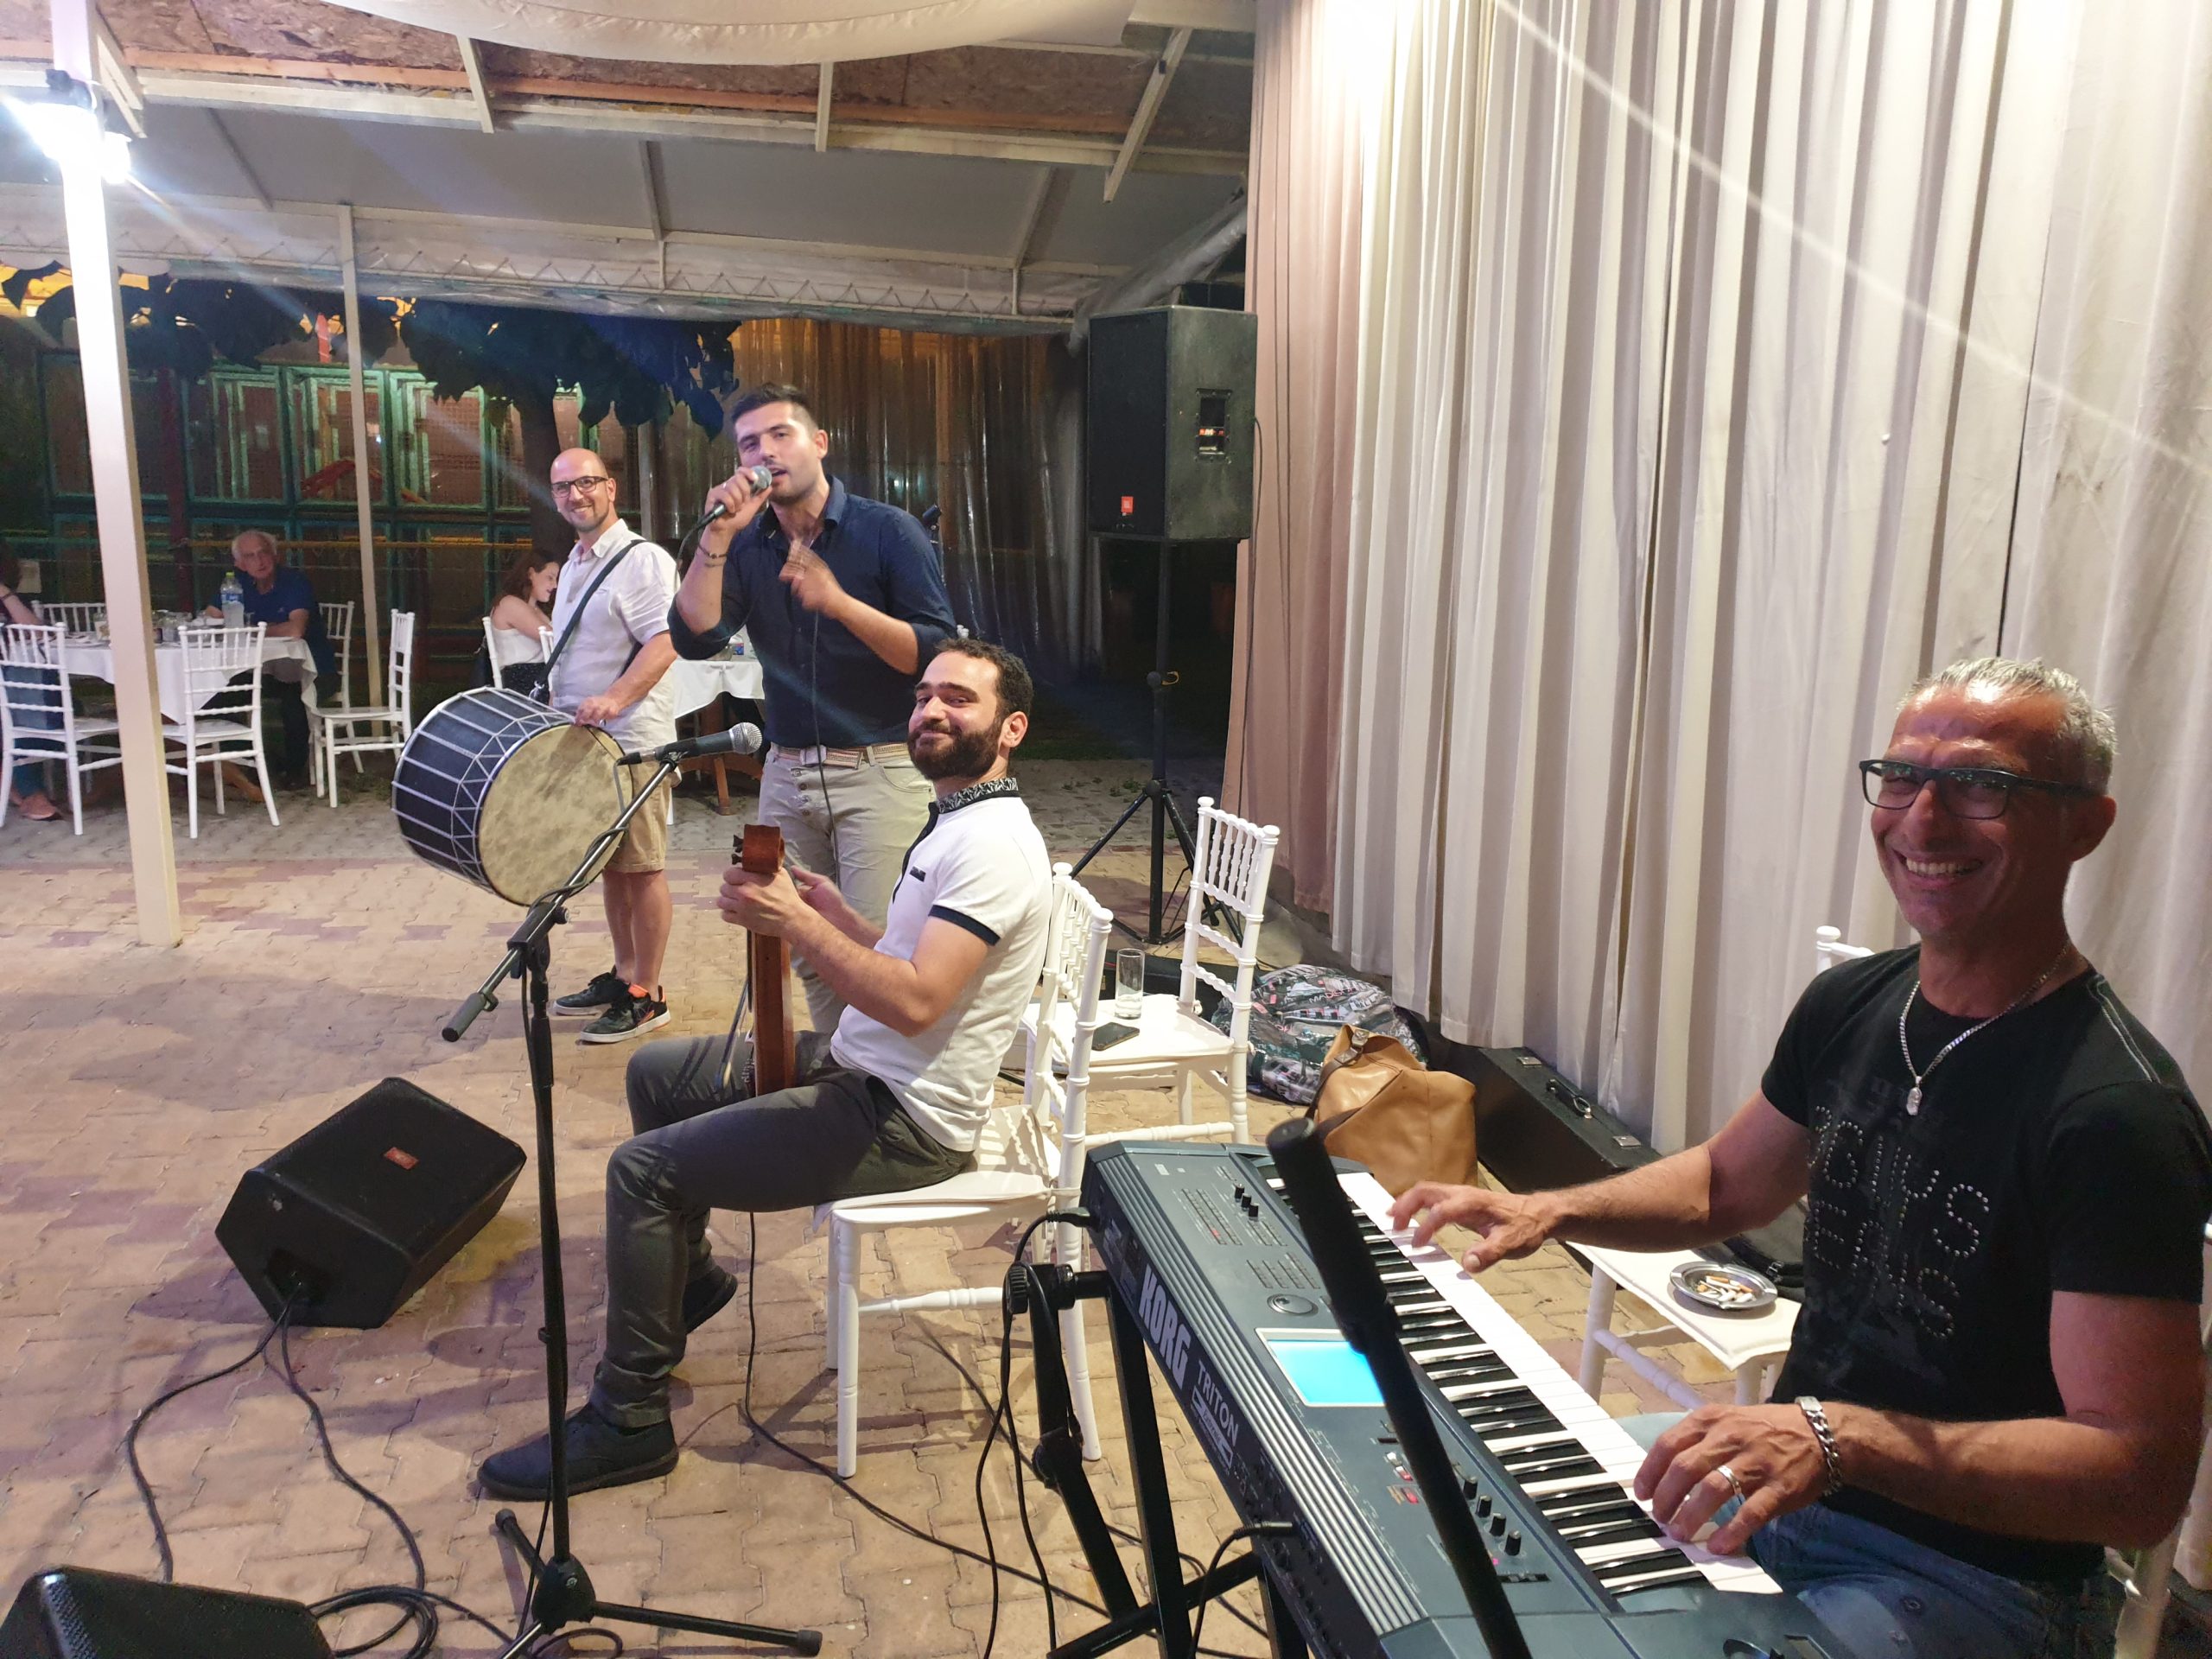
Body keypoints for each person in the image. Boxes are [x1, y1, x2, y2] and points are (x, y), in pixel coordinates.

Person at [1390, 658, 2211, 1659]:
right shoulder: (1854, 1004)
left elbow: (2136, 1477)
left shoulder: (2115, 1116)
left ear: (2085, 824)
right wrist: (1551, 1210)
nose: (1921, 820)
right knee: (1463, 1544)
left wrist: (1839, 1438)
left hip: (1973, 1576)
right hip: (1787, 1498)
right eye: (1900, 777)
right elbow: (1724, 1184)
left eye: (1980, 784)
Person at [478, 639, 1051, 1498]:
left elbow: (919, 1002)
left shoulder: (994, 846)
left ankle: (629, 1420)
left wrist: (794, 922)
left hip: (907, 1118)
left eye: (959, 700)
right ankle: (690, 1282)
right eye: (925, 695)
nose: (932, 710)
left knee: (641, 1172)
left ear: (1011, 729)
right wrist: (839, 916)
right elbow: (913, 959)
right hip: (865, 1067)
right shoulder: (960, 820)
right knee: (656, 1076)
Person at [671, 383, 958, 1036]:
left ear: (820, 443)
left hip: (881, 769)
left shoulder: (887, 531)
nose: (765, 452)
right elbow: (695, 638)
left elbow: (935, 655)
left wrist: (840, 604)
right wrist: (716, 536)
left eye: (782, 435)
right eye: (750, 443)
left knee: (878, 949)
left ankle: (881, 1080)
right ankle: (839, 1066)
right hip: (786, 771)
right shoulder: (746, 544)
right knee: (804, 943)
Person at [543, 449, 683, 1044]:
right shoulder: (575, 561)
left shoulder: (642, 560)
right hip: (589, 744)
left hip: (634, 741)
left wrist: (615, 698)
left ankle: (648, 993)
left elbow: (666, 640)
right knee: (612, 868)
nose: (576, 495)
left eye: (586, 483)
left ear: (611, 488)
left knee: (643, 868)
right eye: (563, 487)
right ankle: (624, 974)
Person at [202, 531, 334, 789]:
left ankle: (294, 772)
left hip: (311, 670)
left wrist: (249, 631)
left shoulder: (294, 582)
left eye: (263, 553)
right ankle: (249, 762)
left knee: (293, 699)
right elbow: (210, 621)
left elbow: (295, 630)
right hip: (263, 671)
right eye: (250, 556)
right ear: (240, 563)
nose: (259, 561)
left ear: (275, 555)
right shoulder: (235, 585)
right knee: (216, 699)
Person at [0, 547, 60, 823]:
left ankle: (24, 788)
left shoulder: (7, 600)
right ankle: (31, 792)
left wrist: (5, 594)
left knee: (43, 702)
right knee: (24, 707)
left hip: (12, 686)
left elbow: (38, 633)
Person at [485, 550, 559, 690]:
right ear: (531, 574)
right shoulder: (510, 604)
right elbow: (553, 639)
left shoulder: (537, 609)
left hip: (541, 676)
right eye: (550, 578)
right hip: (523, 679)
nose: (555, 585)